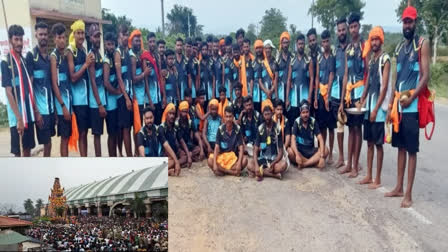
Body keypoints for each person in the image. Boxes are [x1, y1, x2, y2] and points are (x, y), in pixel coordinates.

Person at [385, 6, 430, 208]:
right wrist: (392, 103)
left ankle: (409, 193)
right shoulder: (399, 48)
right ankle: (398, 187)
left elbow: (425, 76)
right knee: (400, 148)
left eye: (410, 22)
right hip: (399, 110)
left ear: (415, 23)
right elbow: (396, 79)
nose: (407, 25)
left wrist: (411, 98)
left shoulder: (422, 44)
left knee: (411, 150)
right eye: (404, 22)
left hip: (411, 108)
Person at [2, 24, 42, 157]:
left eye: (21, 39)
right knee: (18, 153)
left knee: (27, 149)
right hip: (17, 118)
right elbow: (8, 92)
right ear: (10, 40)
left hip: (28, 114)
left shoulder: (24, 61)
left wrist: (36, 111)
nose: (19, 43)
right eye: (16, 39)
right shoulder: (6, 63)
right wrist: (19, 118)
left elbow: (29, 89)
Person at [358, 26, 390, 189]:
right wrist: (362, 100)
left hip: (377, 110)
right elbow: (367, 82)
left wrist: (376, 109)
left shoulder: (385, 59)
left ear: (381, 40)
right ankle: (369, 175)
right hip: (368, 108)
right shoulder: (371, 60)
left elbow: (384, 87)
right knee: (369, 142)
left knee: (378, 144)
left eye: (377, 39)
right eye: (372, 39)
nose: (375, 42)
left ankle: (377, 178)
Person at [339, 12, 366, 178]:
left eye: (355, 26)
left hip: (360, 94)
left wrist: (363, 99)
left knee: (357, 129)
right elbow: (345, 76)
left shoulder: (365, 46)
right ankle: (349, 164)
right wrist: (342, 100)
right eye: (351, 27)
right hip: (349, 94)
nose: (353, 29)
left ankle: (356, 165)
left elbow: (369, 74)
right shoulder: (348, 48)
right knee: (350, 129)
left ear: (359, 27)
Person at [25, 21, 54, 157]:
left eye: (45, 34)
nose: (43, 37)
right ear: (36, 35)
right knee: (46, 143)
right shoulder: (31, 57)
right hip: (40, 111)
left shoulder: (49, 58)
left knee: (49, 143)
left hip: (51, 109)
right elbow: (29, 87)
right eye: (40, 34)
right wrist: (36, 112)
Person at [67, 19, 92, 157]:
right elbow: (73, 77)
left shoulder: (83, 49)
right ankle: (83, 159)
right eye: (78, 33)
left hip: (86, 99)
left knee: (85, 132)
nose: (81, 36)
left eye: (82, 33)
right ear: (74, 34)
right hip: (78, 100)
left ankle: (85, 158)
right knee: (81, 132)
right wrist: (86, 65)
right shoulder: (71, 51)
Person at [248, 99, 288, 181]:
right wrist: (256, 165)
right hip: (263, 158)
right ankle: (273, 175)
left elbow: (280, 152)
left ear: (272, 113)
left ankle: (260, 172)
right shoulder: (260, 128)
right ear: (263, 115)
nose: (267, 117)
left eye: (269, 114)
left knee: (283, 164)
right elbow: (255, 149)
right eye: (265, 115)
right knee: (249, 164)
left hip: (274, 159)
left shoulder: (278, 128)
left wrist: (273, 163)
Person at [50, 23, 72, 157]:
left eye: (64, 37)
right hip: (62, 106)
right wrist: (63, 106)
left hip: (69, 103)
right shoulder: (54, 57)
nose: (62, 40)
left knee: (68, 137)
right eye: (59, 37)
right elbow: (54, 84)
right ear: (54, 39)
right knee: (64, 138)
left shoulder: (65, 54)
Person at [314, 30, 336, 162]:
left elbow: (332, 75)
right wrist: (317, 96)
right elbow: (317, 77)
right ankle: (322, 150)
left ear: (330, 41)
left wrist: (328, 95)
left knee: (331, 127)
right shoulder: (319, 58)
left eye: (327, 41)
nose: (325, 44)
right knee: (321, 126)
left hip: (330, 93)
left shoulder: (332, 58)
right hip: (320, 93)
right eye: (323, 41)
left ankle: (332, 154)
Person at [288, 100, 329, 169]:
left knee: (326, 150)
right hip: (300, 151)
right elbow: (293, 140)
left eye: (307, 112)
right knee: (290, 151)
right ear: (300, 113)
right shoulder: (297, 122)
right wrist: (297, 155)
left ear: (309, 112)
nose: (305, 115)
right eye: (303, 112)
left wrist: (322, 156)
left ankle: (305, 164)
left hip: (311, 150)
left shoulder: (313, 121)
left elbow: (320, 139)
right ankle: (313, 163)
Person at [208, 106, 248, 176]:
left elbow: (241, 148)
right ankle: (232, 172)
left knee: (244, 160)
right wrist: (214, 164)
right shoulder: (220, 129)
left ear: (233, 117)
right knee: (210, 161)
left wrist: (238, 164)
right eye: (227, 116)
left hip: (233, 159)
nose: (228, 119)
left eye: (230, 116)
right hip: (222, 158)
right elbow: (216, 147)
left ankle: (223, 171)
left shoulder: (237, 129)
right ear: (224, 117)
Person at [87, 24, 107, 157]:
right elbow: (93, 81)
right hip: (95, 103)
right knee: (97, 135)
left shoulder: (98, 53)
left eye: (99, 36)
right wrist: (99, 104)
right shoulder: (91, 55)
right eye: (95, 36)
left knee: (101, 133)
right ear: (90, 38)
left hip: (102, 99)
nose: (98, 39)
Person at [332, 16, 349, 168]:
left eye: (344, 29)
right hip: (337, 95)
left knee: (355, 129)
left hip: (351, 94)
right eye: (339, 30)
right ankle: (341, 157)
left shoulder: (353, 47)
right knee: (339, 126)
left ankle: (353, 162)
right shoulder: (335, 50)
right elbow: (332, 72)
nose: (341, 32)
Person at [114, 24, 133, 157]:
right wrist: (126, 98)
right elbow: (119, 78)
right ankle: (129, 156)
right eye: (123, 34)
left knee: (127, 127)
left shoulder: (127, 52)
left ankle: (124, 154)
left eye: (127, 34)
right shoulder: (117, 53)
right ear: (118, 36)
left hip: (129, 94)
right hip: (122, 96)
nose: (125, 37)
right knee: (125, 128)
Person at [103, 32, 122, 157]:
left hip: (116, 102)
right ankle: (112, 157)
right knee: (112, 133)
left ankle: (117, 155)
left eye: (113, 44)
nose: (111, 47)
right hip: (110, 104)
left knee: (117, 132)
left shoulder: (114, 58)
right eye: (109, 44)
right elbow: (106, 83)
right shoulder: (106, 61)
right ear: (105, 45)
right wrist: (117, 92)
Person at [287, 34, 313, 125]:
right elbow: (289, 79)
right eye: (299, 44)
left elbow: (312, 79)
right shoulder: (292, 60)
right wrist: (287, 98)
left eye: (302, 44)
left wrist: (309, 97)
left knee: (305, 125)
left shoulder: (308, 60)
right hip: (294, 99)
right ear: (296, 45)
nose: (301, 46)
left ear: (304, 44)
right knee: (294, 124)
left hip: (305, 98)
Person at [129, 30, 150, 123]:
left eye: (139, 41)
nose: (138, 43)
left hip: (140, 95)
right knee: (137, 124)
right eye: (136, 41)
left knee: (139, 123)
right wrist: (144, 74)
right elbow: (133, 79)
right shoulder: (132, 57)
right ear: (131, 42)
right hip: (136, 96)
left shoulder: (138, 54)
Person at [158, 104, 183, 176]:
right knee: (173, 162)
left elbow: (180, 140)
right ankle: (163, 171)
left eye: (173, 114)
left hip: (173, 154)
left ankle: (172, 165)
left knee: (185, 156)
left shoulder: (174, 126)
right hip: (164, 155)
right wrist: (177, 162)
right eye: (170, 113)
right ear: (166, 114)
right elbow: (166, 146)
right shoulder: (161, 128)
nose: (172, 116)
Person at [143, 32, 162, 124]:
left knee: (158, 123)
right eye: (150, 42)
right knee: (150, 125)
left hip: (158, 97)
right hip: (150, 99)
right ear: (147, 43)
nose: (152, 44)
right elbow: (145, 79)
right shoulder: (145, 58)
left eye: (154, 41)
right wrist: (150, 100)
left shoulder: (157, 56)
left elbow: (160, 77)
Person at [275, 31, 293, 103]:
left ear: (289, 43)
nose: (285, 45)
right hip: (281, 91)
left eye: (286, 42)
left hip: (291, 92)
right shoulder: (277, 59)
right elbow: (275, 79)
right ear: (281, 44)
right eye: (283, 43)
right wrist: (276, 96)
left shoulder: (293, 57)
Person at [174, 37, 189, 102]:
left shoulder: (186, 60)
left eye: (181, 45)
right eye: (178, 45)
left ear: (183, 47)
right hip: (174, 93)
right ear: (175, 46)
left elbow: (189, 77)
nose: (179, 47)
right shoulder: (171, 60)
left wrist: (189, 92)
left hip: (185, 93)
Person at [252, 40, 264, 111]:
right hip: (255, 95)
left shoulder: (267, 61)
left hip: (265, 94)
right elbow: (251, 79)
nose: (259, 50)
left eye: (260, 48)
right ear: (255, 49)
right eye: (257, 48)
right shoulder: (252, 63)